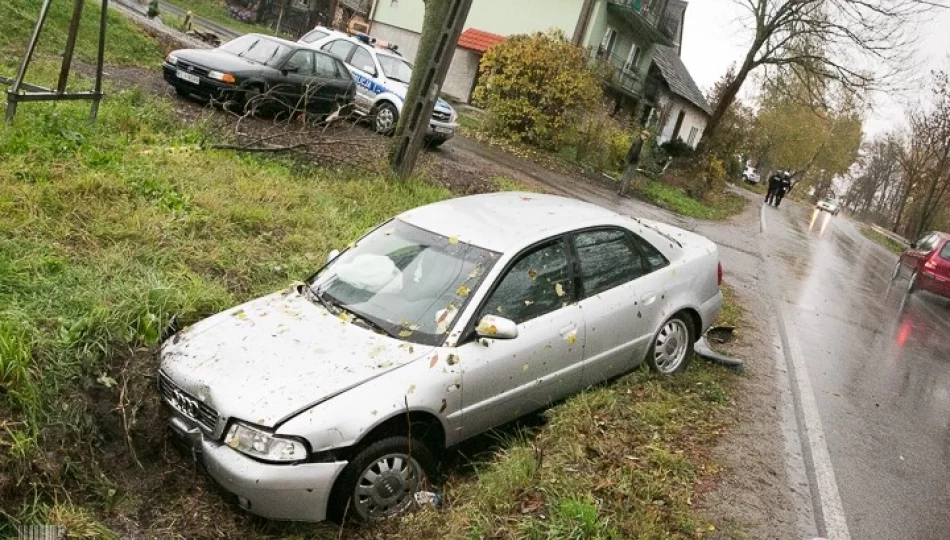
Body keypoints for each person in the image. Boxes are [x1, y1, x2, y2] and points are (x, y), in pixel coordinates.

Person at [618, 130, 650, 198]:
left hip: (630, 160)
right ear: (642, 135)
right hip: (632, 162)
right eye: (645, 136)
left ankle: (620, 190)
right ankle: (623, 193)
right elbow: (634, 153)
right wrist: (634, 160)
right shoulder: (638, 142)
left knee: (626, 176)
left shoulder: (638, 141)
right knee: (628, 177)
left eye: (646, 137)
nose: (645, 138)